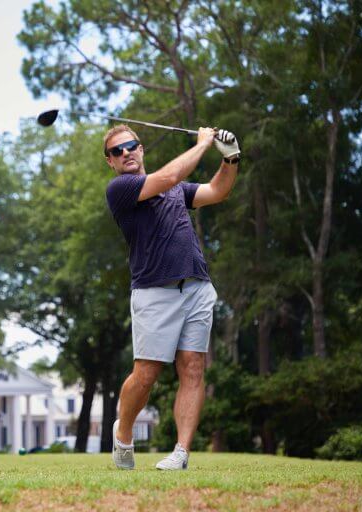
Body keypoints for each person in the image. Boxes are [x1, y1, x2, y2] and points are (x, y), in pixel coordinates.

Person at [104, 123, 240, 471]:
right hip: (153, 291)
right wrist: (204, 144)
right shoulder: (120, 189)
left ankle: (180, 453)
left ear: (141, 148)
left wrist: (230, 158)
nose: (126, 153)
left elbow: (216, 191)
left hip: (195, 286)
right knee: (146, 373)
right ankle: (124, 432)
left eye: (131, 146)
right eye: (117, 151)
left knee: (193, 368)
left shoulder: (177, 190)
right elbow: (165, 177)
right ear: (111, 162)